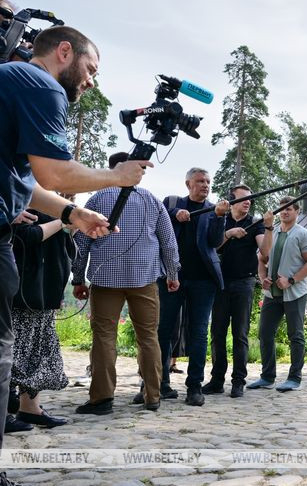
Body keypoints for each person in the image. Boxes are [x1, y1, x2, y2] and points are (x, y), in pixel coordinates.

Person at [0, 25, 149, 484]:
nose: (91, 81)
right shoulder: (41, 83)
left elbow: (28, 183)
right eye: (91, 68)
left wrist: (71, 214)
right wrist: (117, 176)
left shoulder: (12, 81)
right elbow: (55, 172)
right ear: (64, 51)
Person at [70, 152, 180, 414]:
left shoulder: (97, 200)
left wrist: (78, 278)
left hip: (105, 279)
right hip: (144, 279)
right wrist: (173, 274)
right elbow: (168, 242)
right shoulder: (151, 200)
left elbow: (81, 243)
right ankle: (153, 396)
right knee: (148, 337)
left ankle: (102, 399)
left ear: (111, 169)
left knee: (104, 337)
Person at [158, 168, 229, 406]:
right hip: (172, 278)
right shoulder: (173, 203)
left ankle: (194, 386)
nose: (205, 185)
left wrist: (219, 217)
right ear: (188, 184)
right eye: (200, 181)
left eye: (208, 181)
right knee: (164, 330)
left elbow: (215, 242)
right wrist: (176, 213)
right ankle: (159, 383)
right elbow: (159, 217)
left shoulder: (213, 210)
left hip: (203, 281)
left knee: (199, 333)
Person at [8, 206, 75, 430]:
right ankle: (6, 412)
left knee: (38, 350)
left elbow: (66, 247)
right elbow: (27, 236)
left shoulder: (53, 204)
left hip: (44, 288)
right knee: (15, 353)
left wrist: (69, 225)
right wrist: (63, 221)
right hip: (23, 289)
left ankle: (30, 408)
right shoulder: (19, 199)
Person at [202, 184, 267, 398]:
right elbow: (212, 246)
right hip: (220, 282)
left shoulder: (255, 223)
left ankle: (238, 381)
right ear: (231, 201)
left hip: (244, 283)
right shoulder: (221, 219)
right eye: (243, 198)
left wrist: (268, 228)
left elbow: (265, 253)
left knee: (240, 334)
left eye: (250, 199)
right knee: (217, 333)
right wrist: (229, 233)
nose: (248, 202)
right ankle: (217, 380)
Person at [248, 196, 307, 392]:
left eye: (289, 209)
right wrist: (263, 278)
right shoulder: (273, 232)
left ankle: (294, 378)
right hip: (272, 294)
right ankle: (267, 377)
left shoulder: (303, 234)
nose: (284, 212)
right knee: (264, 333)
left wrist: (292, 280)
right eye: (282, 209)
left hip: (294, 293)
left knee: (295, 335)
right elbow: (262, 259)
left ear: (297, 212)